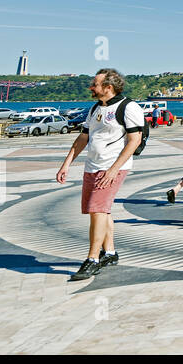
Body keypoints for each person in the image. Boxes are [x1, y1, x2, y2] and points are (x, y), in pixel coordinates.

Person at [56, 68, 144, 280]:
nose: (91, 88)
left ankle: (93, 259)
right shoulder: (96, 107)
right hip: (92, 166)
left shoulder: (129, 107)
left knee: (97, 210)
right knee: (101, 211)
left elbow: (135, 140)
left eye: (95, 84)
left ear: (108, 87)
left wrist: (114, 169)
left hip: (113, 167)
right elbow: (83, 138)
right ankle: (110, 253)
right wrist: (66, 164)